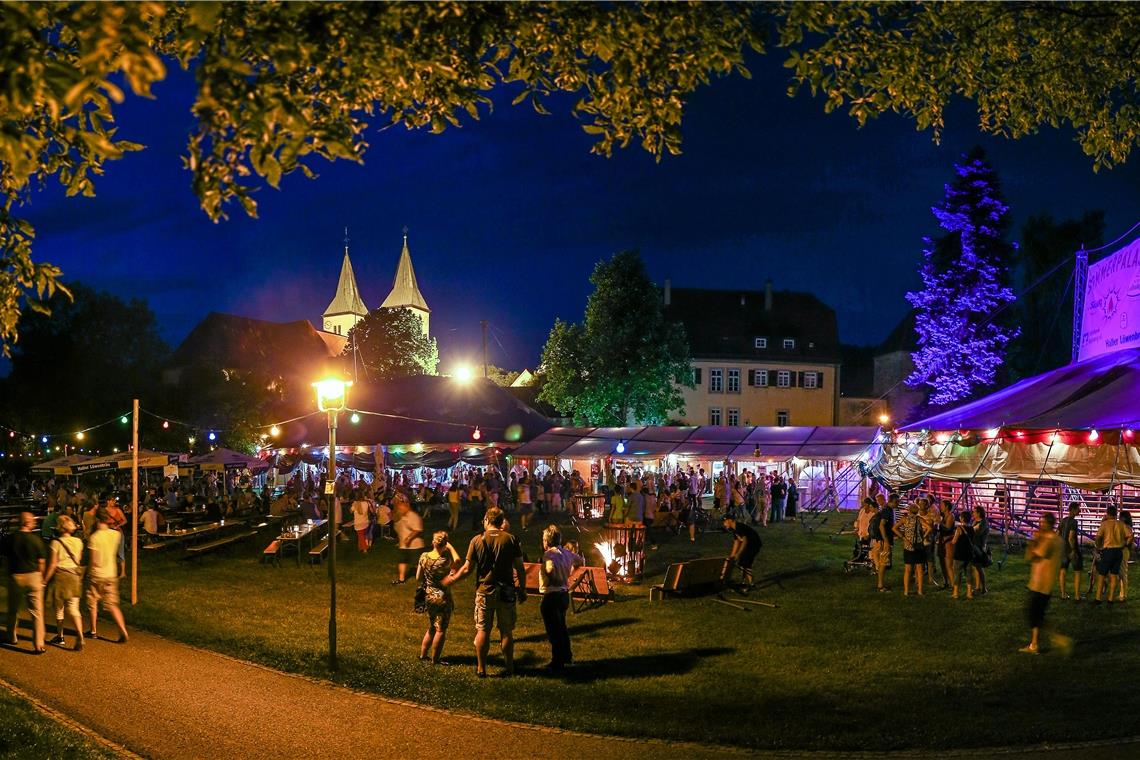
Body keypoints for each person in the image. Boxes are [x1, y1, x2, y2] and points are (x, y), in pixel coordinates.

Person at [444, 507, 527, 677]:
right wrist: (523, 589)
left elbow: (467, 568)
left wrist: (452, 579)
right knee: (506, 631)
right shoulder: (512, 539)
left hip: (484, 591)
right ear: (500, 521)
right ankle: (510, 667)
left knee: (483, 630)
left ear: (487, 520)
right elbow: (520, 568)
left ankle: (481, 668)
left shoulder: (477, 540)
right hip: (507, 591)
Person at [1021, 513, 1071, 655]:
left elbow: (1030, 556)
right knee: (1037, 616)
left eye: (1042, 522)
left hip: (1039, 584)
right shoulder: (1059, 540)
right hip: (1046, 584)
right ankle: (1034, 644)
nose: (1040, 525)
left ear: (1047, 524)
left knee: (1033, 616)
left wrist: (1034, 540)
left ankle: (1060, 639)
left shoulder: (1047, 540)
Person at [539, 525, 583, 670]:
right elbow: (580, 561)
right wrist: (568, 575)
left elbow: (550, 569)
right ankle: (567, 655)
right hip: (564, 594)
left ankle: (557, 660)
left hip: (551, 594)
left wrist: (555, 578)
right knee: (562, 627)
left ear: (546, 541)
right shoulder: (567, 553)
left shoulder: (549, 555)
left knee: (553, 630)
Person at [5, 512, 47, 653]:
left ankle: (11, 636)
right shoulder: (36, 540)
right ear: (28, 522)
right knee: (37, 612)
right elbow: (41, 562)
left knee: (13, 609)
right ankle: (38, 644)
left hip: (16, 576)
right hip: (34, 576)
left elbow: (4, 558)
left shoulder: (10, 539)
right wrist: (41, 577)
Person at [85, 508, 129, 643]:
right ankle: (123, 630)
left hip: (97, 574)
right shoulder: (116, 535)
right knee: (112, 604)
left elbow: (93, 561)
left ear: (97, 520)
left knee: (92, 602)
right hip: (111, 573)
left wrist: (87, 573)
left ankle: (93, 630)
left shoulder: (94, 538)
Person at [416, 531, 460, 664]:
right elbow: (458, 560)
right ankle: (435, 660)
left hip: (429, 596)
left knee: (432, 626)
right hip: (443, 597)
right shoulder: (445, 560)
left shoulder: (424, 556)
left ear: (433, 542)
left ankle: (423, 655)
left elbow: (418, 577)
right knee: (440, 629)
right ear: (445, 544)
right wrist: (451, 547)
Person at [44, 515, 85, 651]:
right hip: (74, 577)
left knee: (59, 608)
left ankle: (60, 636)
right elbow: (78, 560)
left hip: (60, 577)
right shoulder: (79, 542)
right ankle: (80, 635)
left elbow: (53, 565)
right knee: (74, 608)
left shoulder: (55, 543)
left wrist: (45, 580)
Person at [1093, 505, 1133, 603]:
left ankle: (1098, 598)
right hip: (1118, 551)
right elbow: (1130, 536)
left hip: (1108, 550)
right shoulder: (1121, 524)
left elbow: (1098, 537)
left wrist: (1098, 547)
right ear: (1115, 514)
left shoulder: (1105, 524)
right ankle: (1110, 598)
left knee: (1102, 574)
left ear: (1107, 513)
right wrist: (1125, 544)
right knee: (1114, 575)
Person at [893, 501, 927, 596]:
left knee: (907, 570)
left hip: (908, 546)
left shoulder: (904, 519)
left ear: (909, 510)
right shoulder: (919, 519)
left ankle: (906, 591)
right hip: (918, 545)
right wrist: (923, 536)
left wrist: (903, 537)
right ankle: (920, 590)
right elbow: (929, 527)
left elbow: (894, 528)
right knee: (919, 569)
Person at [723, 515, 762, 590]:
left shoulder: (739, 527)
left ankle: (751, 584)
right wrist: (732, 556)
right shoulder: (734, 529)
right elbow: (736, 542)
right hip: (748, 545)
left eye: (725, 521)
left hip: (754, 544)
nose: (724, 524)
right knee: (742, 562)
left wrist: (738, 554)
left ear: (730, 520)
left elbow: (745, 541)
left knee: (746, 563)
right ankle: (743, 582)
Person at [392, 495, 425, 584]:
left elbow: (418, 529)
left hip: (415, 546)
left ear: (407, 506)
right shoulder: (400, 517)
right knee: (402, 561)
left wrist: (409, 538)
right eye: (398, 506)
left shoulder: (413, 516)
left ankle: (424, 580)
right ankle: (401, 580)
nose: (399, 507)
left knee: (418, 564)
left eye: (401, 505)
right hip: (403, 545)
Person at [1057, 502, 1083, 601]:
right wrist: (1073, 550)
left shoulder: (1063, 520)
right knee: (1077, 571)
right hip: (1071, 550)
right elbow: (1071, 538)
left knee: (1063, 570)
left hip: (1063, 550)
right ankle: (1077, 596)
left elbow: (1057, 534)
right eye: (1078, 509)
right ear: (1072, 510)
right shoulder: (1073, 522)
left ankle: (1063, 594)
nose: (1079, 510)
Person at [869, 495, 893, 592]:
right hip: (883, 541)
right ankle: (881, 586)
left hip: (879, 540)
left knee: (881, 563)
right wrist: (886, 540)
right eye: (897, 501)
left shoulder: (884, 510)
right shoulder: (886, 511)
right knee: (883, 563)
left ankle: (880, 584)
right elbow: (881, 526)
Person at [950, 510, 975, 600]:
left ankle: (956, 593)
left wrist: (952, 540)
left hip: (959, 554)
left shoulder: (959, 528)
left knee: (957, 573)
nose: (959, 517)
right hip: (969, 555)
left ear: (963, 518)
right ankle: (969, 593)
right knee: (969, 574)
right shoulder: (972, 528)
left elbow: (954, 541)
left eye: (960, 516)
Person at [971, 505, 990, 595]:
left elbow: (978, 533)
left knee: (979, 568)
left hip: (980, 547)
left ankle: (984, 588)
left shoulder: (984, 522)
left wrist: (973, 529)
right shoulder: (975, 521)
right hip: (974, 546)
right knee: (976, 567)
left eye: (974, 512)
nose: (973, 513)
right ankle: (977, 587)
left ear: (979, 513)